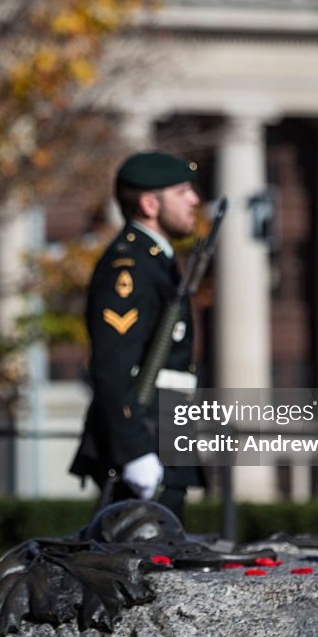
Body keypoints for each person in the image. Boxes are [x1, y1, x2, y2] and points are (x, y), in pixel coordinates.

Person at [70, 151, 206, 522]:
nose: (194, 199)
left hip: (165, 426)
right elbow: (112, 365)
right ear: (149, 203)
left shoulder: (157, 261)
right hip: (144, 435)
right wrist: (134, 451)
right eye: (182, 191)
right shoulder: (129, 266)